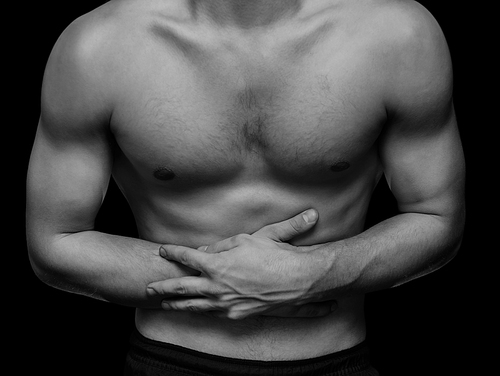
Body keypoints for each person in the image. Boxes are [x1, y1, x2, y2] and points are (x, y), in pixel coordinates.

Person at [26, 0, 465, 375]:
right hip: (171, 361)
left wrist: (315, 273)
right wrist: (224, 280)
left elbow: (437, 218)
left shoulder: (398, 35)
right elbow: (55, 243)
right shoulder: (99, 45)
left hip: (335, 359)